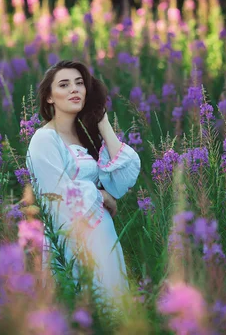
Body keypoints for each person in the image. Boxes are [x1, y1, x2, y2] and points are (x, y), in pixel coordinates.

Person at [26, 60, 141, 304]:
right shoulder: (44, 139)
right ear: (49, 97)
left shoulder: (85, 136)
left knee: (111, 309)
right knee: (81, 308)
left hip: (103, 236)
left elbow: (122, 180)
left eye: (79, 84)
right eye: (64, 85)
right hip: (69, 239)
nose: (74, 89)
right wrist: (100, 196)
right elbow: (55, 194)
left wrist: (103, 123)